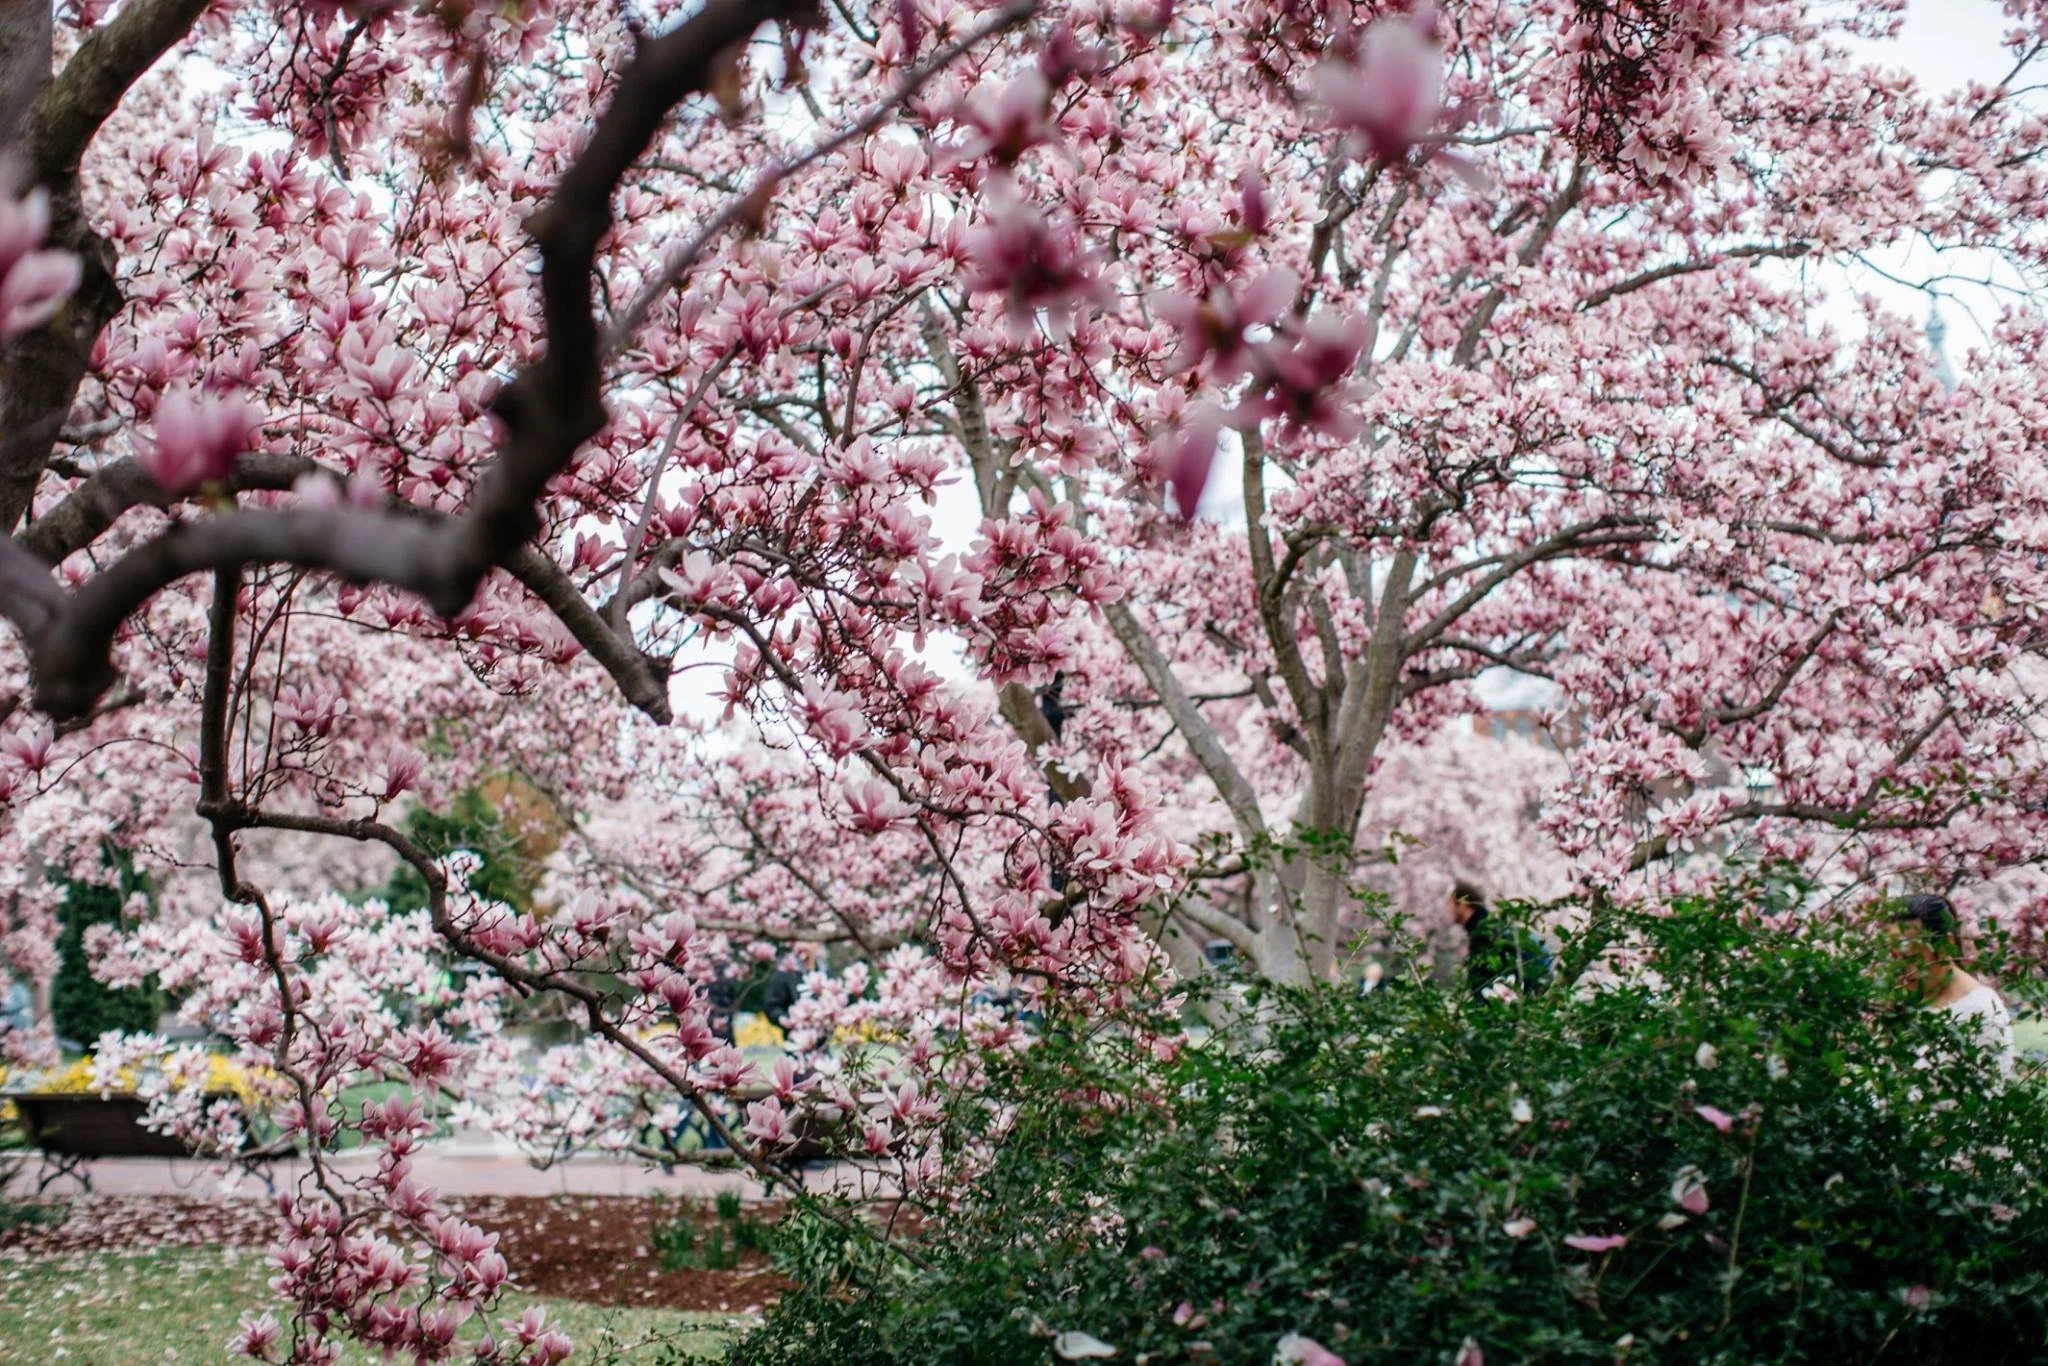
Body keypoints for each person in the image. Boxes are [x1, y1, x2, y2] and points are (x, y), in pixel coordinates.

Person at [1894, 892, 2016, 1077]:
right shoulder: (1909, 996)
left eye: (1910, 957)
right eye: (1894, 957)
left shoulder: (1979, 1012)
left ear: (1945, 945)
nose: (1900, 968)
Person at [1449, 879, 1551, 998]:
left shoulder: (1484, 933)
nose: (1447, 909)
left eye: (1449, 904)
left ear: (1462, 904)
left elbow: (1482, 989)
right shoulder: (1494, 926)